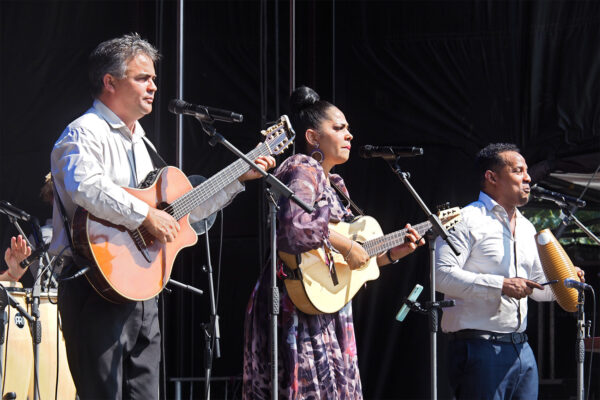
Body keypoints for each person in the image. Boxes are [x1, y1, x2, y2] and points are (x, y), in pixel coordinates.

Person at [50, 33, 275, 399]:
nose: (154, 85)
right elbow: (85, 188)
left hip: (143, 290)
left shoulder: (143, 143)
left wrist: (238, 177)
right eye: (143, 78)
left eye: (154, 78)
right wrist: (144, 217)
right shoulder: (83, 132)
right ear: (109, 82)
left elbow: (181, 212)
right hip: (94, 285)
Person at [243, 86, 424, 399]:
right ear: (313, 137)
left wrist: (392, 254)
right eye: (339, 128)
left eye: (348, 128)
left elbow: (351, 264)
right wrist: (345, 244)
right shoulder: (302, 167)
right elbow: (293, 228)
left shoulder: (336, 185)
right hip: (297, 302)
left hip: (326, 304)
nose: (349, 135)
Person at [435, 143, 585, 399]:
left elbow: (538, 290)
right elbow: (440, 275)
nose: (528, 177)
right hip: (477, 347)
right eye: (518, 170)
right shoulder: (464, 219)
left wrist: (565, 284)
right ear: (492, 177)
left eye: (527, 171)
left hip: (521, 348)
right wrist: (501, 284)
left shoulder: (527, 227)